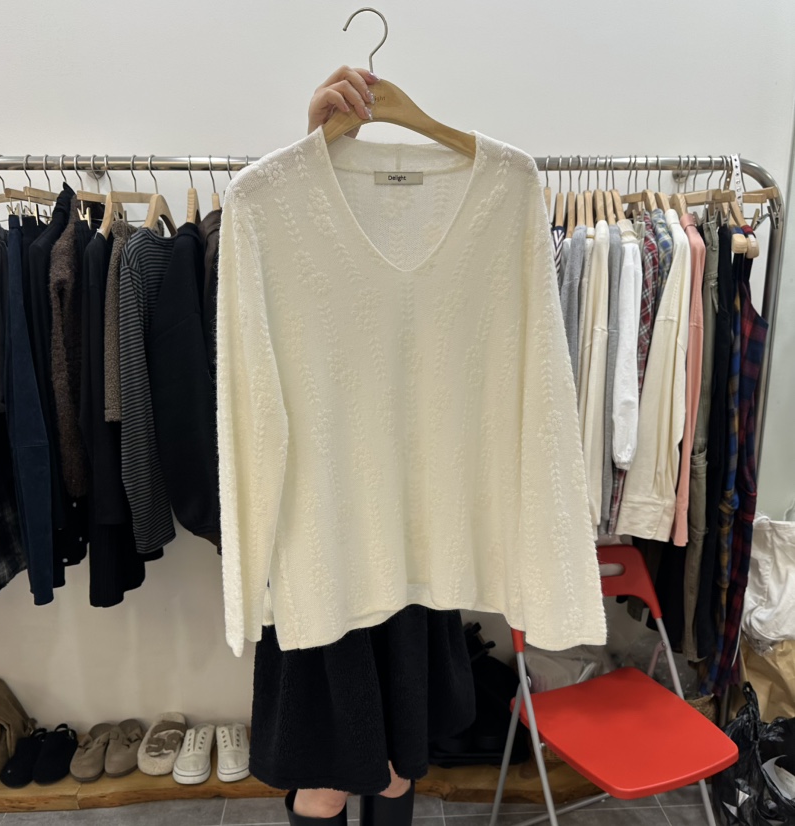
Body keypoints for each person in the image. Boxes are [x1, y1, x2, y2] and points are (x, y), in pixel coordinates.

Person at [244, 66, 477, 826]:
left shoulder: (455, 223)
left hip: (412, 533)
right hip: (319, 539)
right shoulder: (279, 217)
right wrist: (314, 149)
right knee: (325, 778)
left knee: (399, 766)